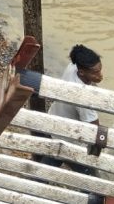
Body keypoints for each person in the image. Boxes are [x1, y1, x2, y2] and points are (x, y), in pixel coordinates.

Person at [35, 43, 103, 176]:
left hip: (54, 123)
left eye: (100, 69)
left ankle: (33, 184)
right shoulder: (83, 97)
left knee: (49, 164)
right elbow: (94, 129)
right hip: (69, 141)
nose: (100, 75)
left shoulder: (72, 67)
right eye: (95, 72)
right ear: (82, 72)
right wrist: (96, 154)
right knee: (92, 179)